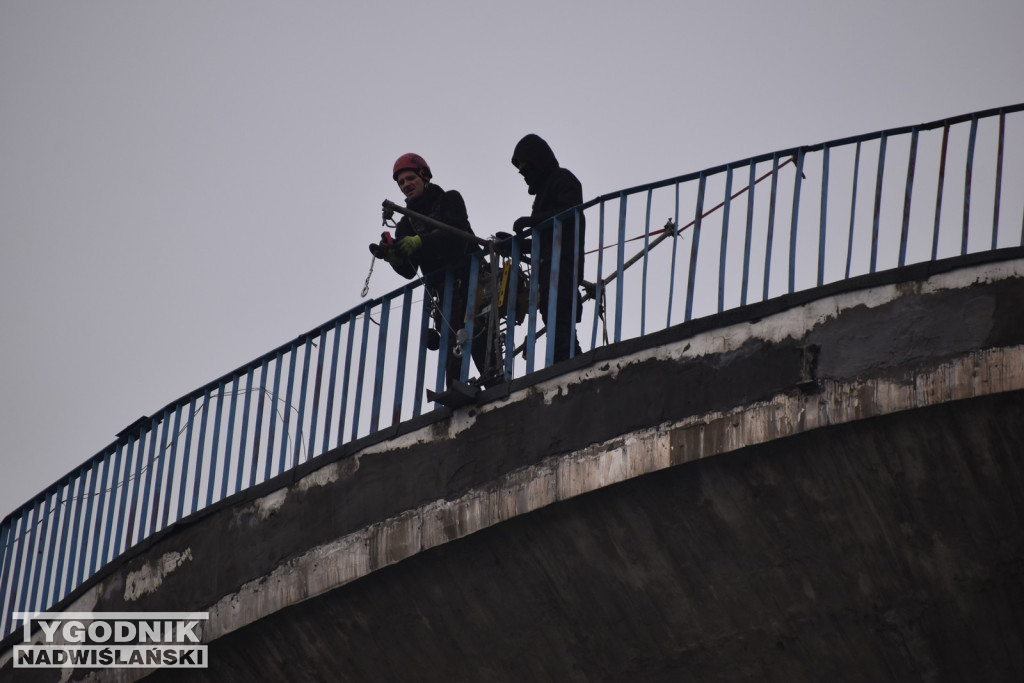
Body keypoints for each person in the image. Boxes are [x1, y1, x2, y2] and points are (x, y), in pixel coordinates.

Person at [370, 153, 490, 387]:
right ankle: (456, 394)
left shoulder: (450, 201)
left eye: (410, 178)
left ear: (424, 176)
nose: (406, 185)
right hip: (444, 295)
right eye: (401, 182)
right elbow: (409, 270)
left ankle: (497, 384)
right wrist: (394, 257)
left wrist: (420, 242)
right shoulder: (406, 223)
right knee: (451, 351)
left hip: (472, 283)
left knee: (480, 341)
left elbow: (456, 239)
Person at [510, 134, 585, 363]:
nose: (524, 174)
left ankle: (566, 361)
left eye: (526, 167)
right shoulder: (543, 193)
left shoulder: (563, 179)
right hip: (547, 268)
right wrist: (515, 246)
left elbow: (570, 212)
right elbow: (543, 239)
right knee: (552, 317)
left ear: (539, 160)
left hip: (563, 264)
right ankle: (565, 360)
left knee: (561, 316)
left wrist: (532, 222)